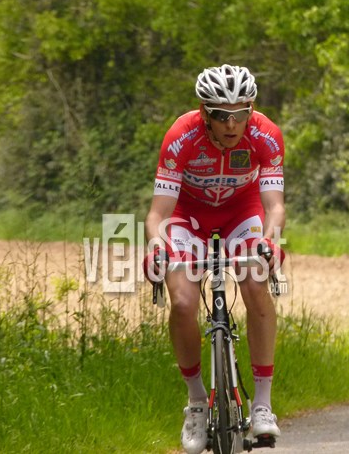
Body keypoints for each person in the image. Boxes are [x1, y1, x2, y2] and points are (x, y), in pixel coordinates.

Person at [143, 64, 285, 454]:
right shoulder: (181, 136)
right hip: (188, 217)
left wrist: (270, 241)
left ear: (251, 109)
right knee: (183, 302)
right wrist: (156, 246)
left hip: (242, 212)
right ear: (204, 112)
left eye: (241, 113)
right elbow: (157, 213)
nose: (231, 124)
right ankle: (195, 402)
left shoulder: (265, 135)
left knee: (255, 282)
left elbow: (274, 206)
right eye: (221, 115)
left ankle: (262, 404)